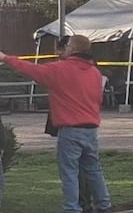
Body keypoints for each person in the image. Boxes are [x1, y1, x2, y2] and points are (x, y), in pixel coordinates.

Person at [0, 35, 113, 213]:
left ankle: (72, 208)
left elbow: (30, 70)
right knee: (93, 169)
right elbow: (97, 99)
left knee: (69, 172)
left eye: (67, 45)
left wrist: (6, 58)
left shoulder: (60, 69)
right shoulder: (95, 73)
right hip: (91, 129)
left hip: (69, 129)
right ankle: (104, 205)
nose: (65, 48)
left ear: (73, 48)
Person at [45, 37, 95, 213]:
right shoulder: (84, 67)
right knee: (83, 166)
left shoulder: (67, 68)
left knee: (75, 168)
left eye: (63, 48)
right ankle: (86, 202)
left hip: (73, 123)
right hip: (79, 122)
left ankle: (80, 204)